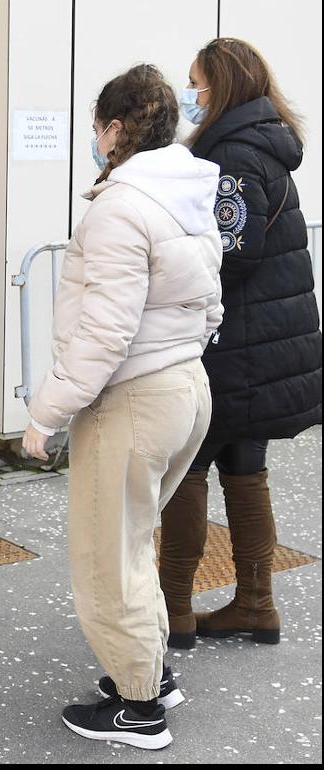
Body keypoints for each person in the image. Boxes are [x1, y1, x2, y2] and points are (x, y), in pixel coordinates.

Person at [22, 64, 223, 749]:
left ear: (114, 129)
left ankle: (139, 709)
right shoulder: (188, 195)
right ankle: (148, 673)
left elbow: (103, 332)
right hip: (185, 386)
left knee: (109, 554)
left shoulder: (120, 207)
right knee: (134, 541)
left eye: (96, 127)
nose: (93, 139)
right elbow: (210, 301)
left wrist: (45, 414)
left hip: (133, 398)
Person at [158, 38, 323, 650]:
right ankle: (256, 603)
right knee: (247, 470)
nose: (190, 95)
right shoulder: (267, 145)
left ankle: (173, 609)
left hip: (234, 345)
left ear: (221, 86)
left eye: (196, 83)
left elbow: (234, 249)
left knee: (188, 470)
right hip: (265, 345)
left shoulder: (231, 154)